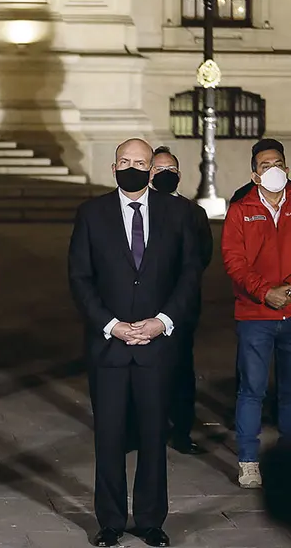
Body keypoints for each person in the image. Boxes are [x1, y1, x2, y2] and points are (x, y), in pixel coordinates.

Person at [68, 138, 200, 548]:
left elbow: (189, 274)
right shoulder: (92, 214)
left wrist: (162, 322)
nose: (132, 168)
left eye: (140, 163)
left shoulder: (177, 213)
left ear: (151, 169)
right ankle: (110, 522)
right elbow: (80, 277)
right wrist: (112, 325)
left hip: (157, 347)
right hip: (109, 346)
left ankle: (150, 521)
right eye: (124, 161)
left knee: (153, 437)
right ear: (113, 168)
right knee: (108, 437)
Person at [220, 138, 291, 490]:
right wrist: (266, 292)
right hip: (255, 316)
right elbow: (235, 262)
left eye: (278, 163)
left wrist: (287, 291)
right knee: (252, 390)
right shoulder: (240, 209)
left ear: (287, 168)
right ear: (255, 175)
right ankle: (249, 461)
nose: (273, 170)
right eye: (266, 166)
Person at [150, 145, 213, 454]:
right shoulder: (136, 210)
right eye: (158, 169)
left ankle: (181, 432)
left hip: (181, 309)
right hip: (143, 307)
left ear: (179, 174)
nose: (165, 174)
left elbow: (203, 257)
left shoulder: (194, 213)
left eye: (170, 170)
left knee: (181, 371)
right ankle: (144, 431)